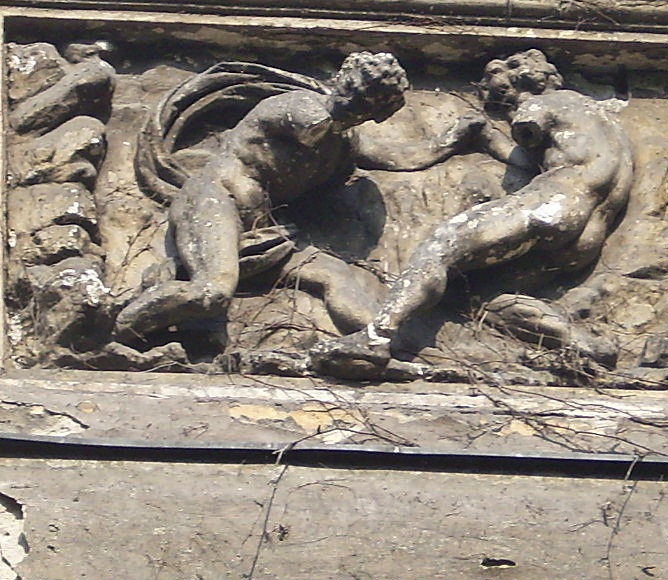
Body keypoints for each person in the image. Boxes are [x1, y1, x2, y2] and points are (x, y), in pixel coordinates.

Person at [310, 49, 634, 375]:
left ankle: (376, 337)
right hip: (588, 235)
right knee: (483, 298)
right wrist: (488, 137)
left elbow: (527, 132)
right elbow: (539, 159)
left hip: (552, 203)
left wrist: (482, 128)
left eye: (500, 95)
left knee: (441, 248)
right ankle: (585, 346)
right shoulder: (603, 120)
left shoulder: (544, 102)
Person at [115, 51, 413, 343]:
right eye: (353, 89)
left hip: (267, 229)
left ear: (378, 113)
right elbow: (314, 128)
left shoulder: (344, 140)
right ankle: (113, 332)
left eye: (368, 101)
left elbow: (398, 156)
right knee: (213, 291)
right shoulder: (300, 104)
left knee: (334, 276)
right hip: (215, 200)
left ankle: (383, 344)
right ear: (341, 81)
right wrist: (355, 119)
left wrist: (442, 142)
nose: (353, 101)